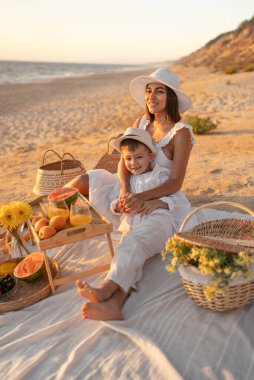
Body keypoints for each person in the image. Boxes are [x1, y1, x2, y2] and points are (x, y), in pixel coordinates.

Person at [67, 67, 196, 320]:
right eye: (149, 91)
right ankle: (51, 216)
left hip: (160, 198)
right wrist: (125, 190)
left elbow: (176, 182)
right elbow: (122, 161)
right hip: (132, 188)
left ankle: (109, 294)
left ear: (171, 96)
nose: (152, 97)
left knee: (133, 241)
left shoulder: (181, 133)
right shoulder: (142, 121)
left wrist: (142, 199)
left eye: (159, 91)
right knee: (87, 178)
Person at [76, 127, 180, 303]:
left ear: (151, 157)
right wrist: (118, 206)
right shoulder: (127, 182)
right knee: (126, 252)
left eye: (139, 157)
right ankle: (115, 304)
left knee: (133, 244)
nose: (134, 163)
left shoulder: (159, 175)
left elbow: (177, 199)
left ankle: (105, 289)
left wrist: (157, 202)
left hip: (159, 220)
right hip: (133, 225)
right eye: (128, 159)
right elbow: (114, 204)